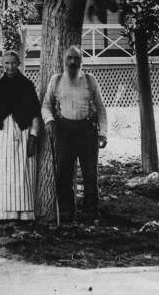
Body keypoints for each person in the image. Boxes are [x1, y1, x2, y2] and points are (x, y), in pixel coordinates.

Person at [43, 44, 108, 222]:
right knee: (64, 175)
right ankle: (66, 212)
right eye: (69, 58)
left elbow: (101, 108)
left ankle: (90, 212)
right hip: (65, 132)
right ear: (63, 60)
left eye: (76, 58)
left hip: (87, 132)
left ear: (81, 61)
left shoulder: (90, 80)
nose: (72, 62)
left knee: (90, 175)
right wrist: (49, 121)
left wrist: (103, 133)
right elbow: (46, 105)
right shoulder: (55, 80)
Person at [0, 49, 41, 221]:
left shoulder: (27, 86)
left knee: (23, 173)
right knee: (2, 174)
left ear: (19, 64)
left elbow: (35, 115)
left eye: (13, 63)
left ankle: (23, 214)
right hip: (2, 136)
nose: (10, 66)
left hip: (22, 135)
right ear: (2, 65)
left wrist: (33, 137)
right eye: (6, 63)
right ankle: (1, 213)